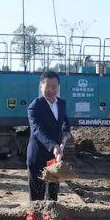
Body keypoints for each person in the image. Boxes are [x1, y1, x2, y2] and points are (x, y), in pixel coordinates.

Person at [27, 70, 70, 201]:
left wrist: (65, 137)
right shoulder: (35, 106)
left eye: (54, 86)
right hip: (38, 154)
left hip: (54, 158)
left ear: (58, 87)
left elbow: (65, 122)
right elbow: (38, 130)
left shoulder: (61, 103)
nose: (51, 90)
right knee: (37, 196)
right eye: (47, 86)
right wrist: (54, 146)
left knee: (53, 193)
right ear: (41, 86)